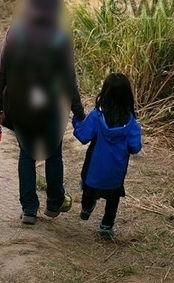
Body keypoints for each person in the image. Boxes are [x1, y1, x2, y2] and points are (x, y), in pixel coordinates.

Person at [0, 0, 85, 225]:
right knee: (54, 154)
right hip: (51, 105)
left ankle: (29, 209)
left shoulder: (16, 30)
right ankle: (54, 203)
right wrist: (78, 109)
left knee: (26, 155)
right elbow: (68, 76)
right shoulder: (60, 34)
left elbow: (2, 70)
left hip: (22, 104)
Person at [72, 73, 142, 240]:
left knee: (88, 191)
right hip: (116, 173)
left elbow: (83, 136)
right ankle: (106, 226)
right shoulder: (131, 122)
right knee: (113, 199)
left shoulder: (97, 116)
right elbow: (135, 147)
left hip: (93, 171)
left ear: (105, 92)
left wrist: (76, 120)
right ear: (127, 96)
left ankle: (86, 208)